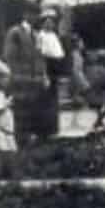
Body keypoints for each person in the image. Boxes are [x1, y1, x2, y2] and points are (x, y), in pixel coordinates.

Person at [2, 8, 43, 146]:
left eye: (37, 15)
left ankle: (26, 141)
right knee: (19, 112)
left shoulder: (35, 34)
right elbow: (10, 56)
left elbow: (38, 57)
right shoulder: (15, 33)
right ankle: (18, 143)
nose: (36, 17)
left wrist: (40, 75)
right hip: (19, 79)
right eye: (33, 14)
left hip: (32, 80)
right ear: (25, 14)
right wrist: (16, 75)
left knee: (29, 112)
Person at [35, 10, 65, 139]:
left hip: (55, 66)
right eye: (47, 22)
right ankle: (44, 129)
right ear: (42, 24)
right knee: (45, 98)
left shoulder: (54, 36)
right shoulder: (40, 36)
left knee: (53, 98)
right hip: (46, 66)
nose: (49, 25)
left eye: (51, 22)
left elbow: (59, 53)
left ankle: (53, 128)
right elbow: (40, 53)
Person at [66, 33, 91, 128]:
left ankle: (75, 121)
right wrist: (81, 80)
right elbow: (74, 68)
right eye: (81, 43)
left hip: (78, 75)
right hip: (76, 76)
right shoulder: (74, 54)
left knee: (77, 100)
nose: (82, 44)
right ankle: (75, 121)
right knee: (79, 97)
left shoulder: (78, 54)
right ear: (76, 44)